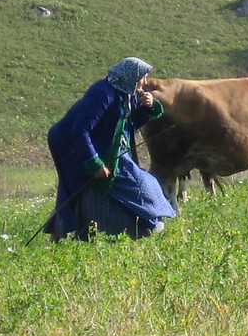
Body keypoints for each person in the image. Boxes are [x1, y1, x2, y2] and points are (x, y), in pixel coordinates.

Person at [44, 57, 175, 241]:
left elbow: (129, 124)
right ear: (130, 75)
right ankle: (63, 235)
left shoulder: (126, 92)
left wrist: (148, 107)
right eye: (142, 77)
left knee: (146, 182)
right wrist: (94, 162)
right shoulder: (102, 93)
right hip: (71, 144)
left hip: (105, 146)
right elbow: (81, 130)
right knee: (75, 186)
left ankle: (143, 225)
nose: (144, 82)